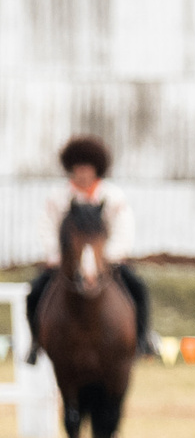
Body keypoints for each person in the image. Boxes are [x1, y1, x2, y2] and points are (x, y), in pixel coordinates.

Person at [26, 135, 154, 359]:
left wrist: (110, 257)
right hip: (67, 264)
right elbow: (47, 226)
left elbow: (123, 228)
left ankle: (142, 340)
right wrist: (55, 255)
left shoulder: (112, 196)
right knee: (34, 293)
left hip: (106, 263)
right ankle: (36, 342)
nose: (83, 174)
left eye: (88, 168)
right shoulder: (59, 197)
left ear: (96, 170)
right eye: (79, 168)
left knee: (139, 290)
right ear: (71, 169)